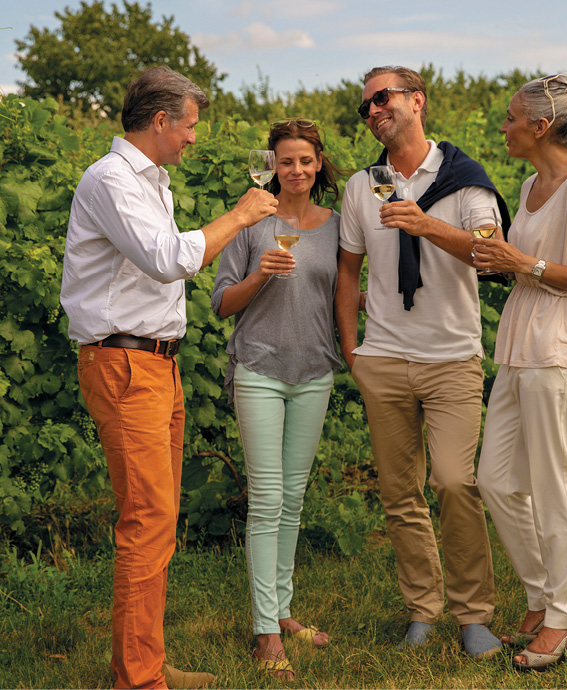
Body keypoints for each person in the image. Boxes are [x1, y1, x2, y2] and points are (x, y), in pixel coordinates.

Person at [60, 65, 277, 689]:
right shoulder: (112, 180)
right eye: (188, 127)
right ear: (160, 121)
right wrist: (239, 216)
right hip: (126, 364)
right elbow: (167, 259)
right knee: (146, 521)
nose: (191, 139)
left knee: (157, 518)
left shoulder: (151, 182)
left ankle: (144, 664)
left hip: (155, 363)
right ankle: (137, 679)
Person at [335, 65, 511, 658]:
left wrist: (424, 224)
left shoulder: (465, 181)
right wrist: (350, 350)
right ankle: (422, 609)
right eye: (365, 106)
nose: (373, 111)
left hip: (451, 357)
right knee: (399, 493)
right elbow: (347, 272)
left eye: (382, 98)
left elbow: (493, 257)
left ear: (417, 100)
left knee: (456, 484)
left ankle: (474, 614)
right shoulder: (364, 185)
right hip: (382, 358)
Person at [473, 73, 567, 671]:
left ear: (541, 125)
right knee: (497, 480)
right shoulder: (531, 183)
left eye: (510, 118)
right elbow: (522, 265)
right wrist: (501, 261)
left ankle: (566, 618)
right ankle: (543, 597)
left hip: (559, 350)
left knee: (557, 487)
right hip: (518, 348)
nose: (502, 127)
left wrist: (523, 261)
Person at [211, 119, 342, 680]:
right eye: (286, 161)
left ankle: (282, 612)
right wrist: (262, 275)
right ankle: (267, 631)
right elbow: (221, 304)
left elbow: (348, 293)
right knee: (267, 499)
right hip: (260, 369)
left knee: (293, 497)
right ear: (271, 166)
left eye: (305, 161)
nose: (296, 170)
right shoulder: (252, 220)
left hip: (314, 372)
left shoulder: (337, 226)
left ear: (318, 165)